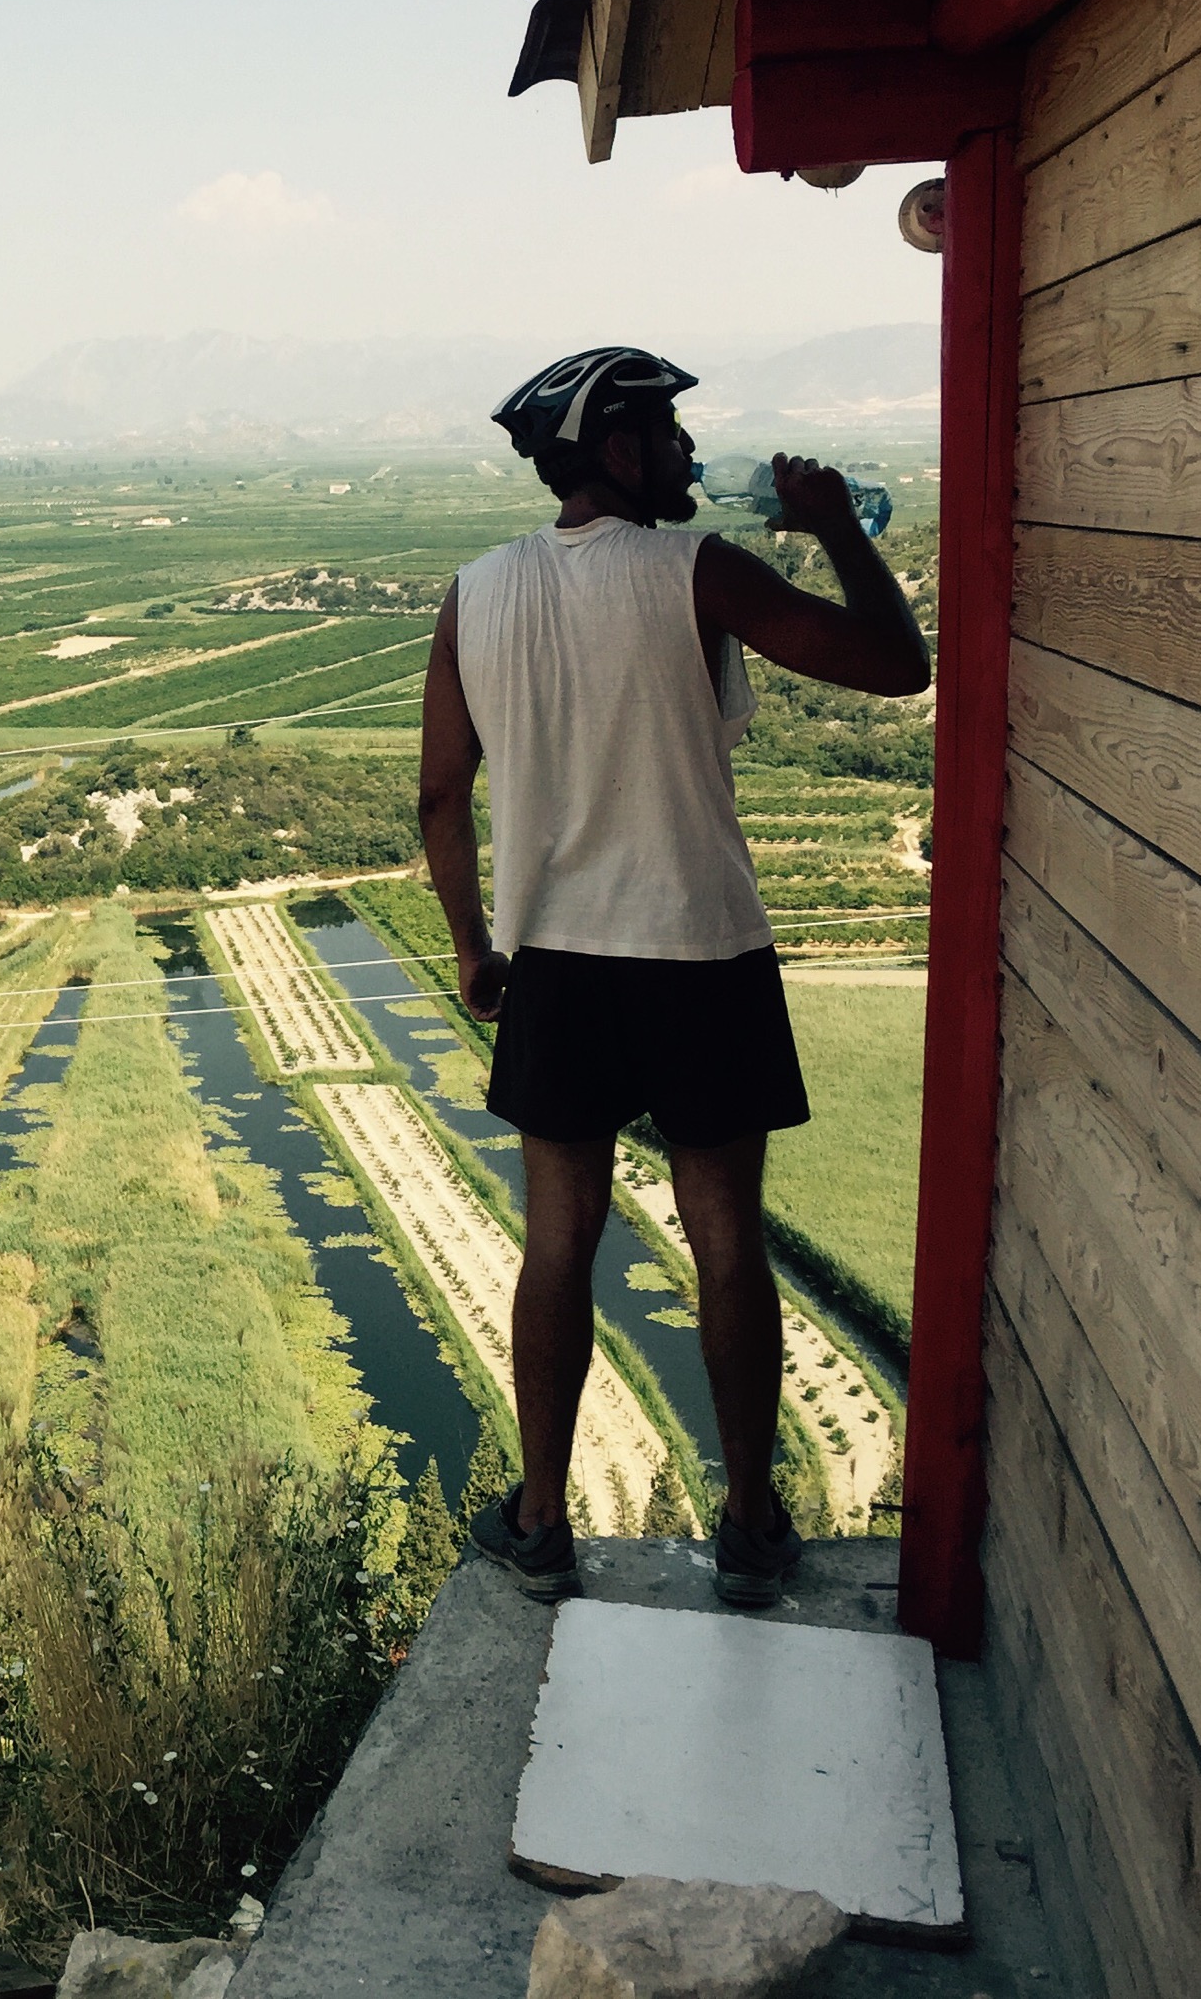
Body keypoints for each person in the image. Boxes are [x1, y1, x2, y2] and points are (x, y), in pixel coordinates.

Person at [419, 347, 928, 1607]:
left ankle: (542, 1524)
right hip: (701, 950)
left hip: (558, 964)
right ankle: (750, 1525)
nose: (695, 457)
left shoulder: (473, 595)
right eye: (672, 434)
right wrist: (832, 531)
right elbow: (894, 662)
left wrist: (474, 946)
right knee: (725, 1240)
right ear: (618, 450)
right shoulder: (697, 570)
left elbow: (438, 796)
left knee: (557, 1243)